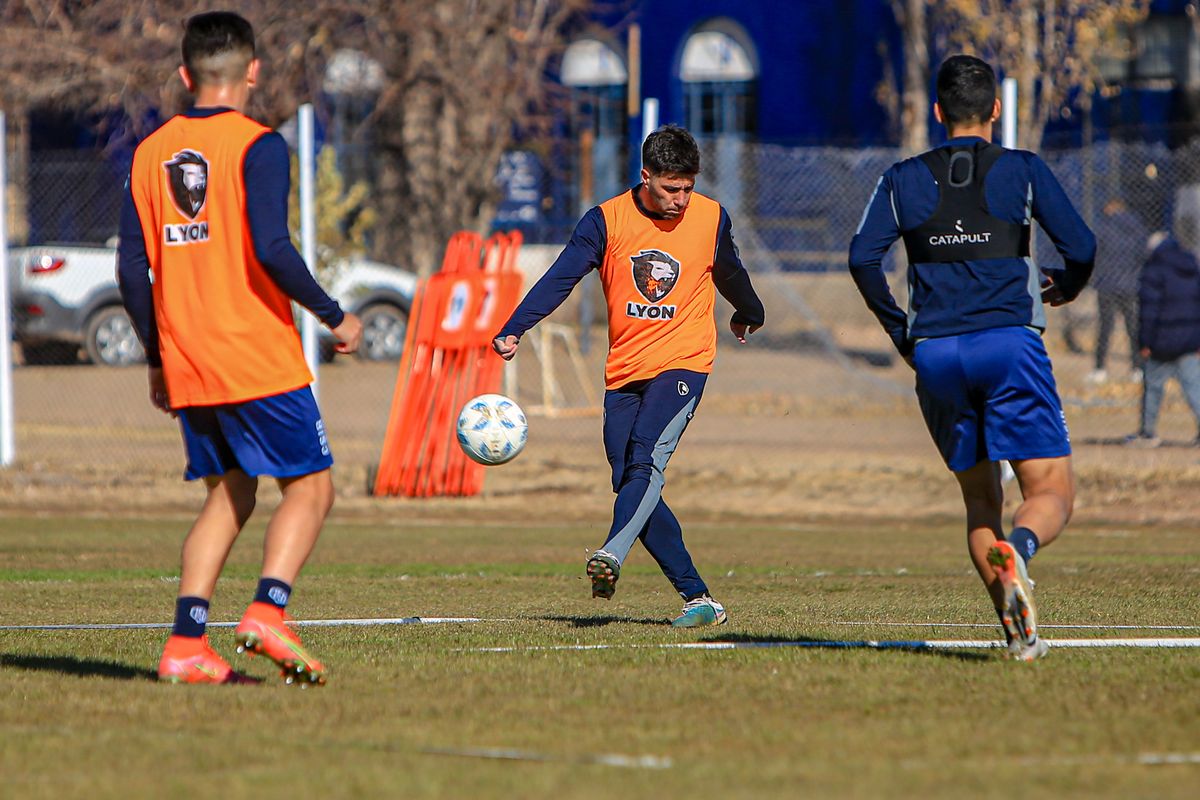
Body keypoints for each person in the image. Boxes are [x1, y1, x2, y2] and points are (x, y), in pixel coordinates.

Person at [118, 11, 362, 685]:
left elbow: (130, 270)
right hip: (253, 351)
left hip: (190, 359)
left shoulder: (147, 153)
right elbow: (271, 247)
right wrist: (333, 315)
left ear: (184, 75)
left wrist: (157, 358)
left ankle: (185, 646)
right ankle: (267, 613)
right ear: (253, 72)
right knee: (311, 488)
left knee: (230, 494)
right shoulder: (259, 145)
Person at [848, 55, 1096, 661]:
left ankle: (1020, 634)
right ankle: (1021, 551)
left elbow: (862, 259)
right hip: (1008, 345)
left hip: (935, 354)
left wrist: (904, 335)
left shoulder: (901, 177)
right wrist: (1067, 285)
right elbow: (1082, 246)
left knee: (981, 500)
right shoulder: (1023, 170)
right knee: (1053, 490)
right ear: (996, 110)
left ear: (936, 113)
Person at [493, 125, 764, 627]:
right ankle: (700, 598)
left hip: (685, 362)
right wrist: (515, 328)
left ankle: (611, 555)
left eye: (688, 187)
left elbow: (730, 272)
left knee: (645, 457)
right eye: (670, 189)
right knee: (632, 483)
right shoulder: (606, 221)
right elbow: (561, 277)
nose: (681, 200)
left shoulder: (709, 217)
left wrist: (750, 311)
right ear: (646, 177)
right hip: (623, 372)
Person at [1127, 226, 1200, 447]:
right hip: (1188, 339)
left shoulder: (1153, 270)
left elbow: (1148, 311)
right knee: (1194, 387)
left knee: (1153, 387)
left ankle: (1148, 433)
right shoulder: (1191, 267)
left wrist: (1144, 341)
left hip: (1161, 341)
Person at [1088, 198, 1148, 384]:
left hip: (1107, 284)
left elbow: (1094, 254)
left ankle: (1100, 369)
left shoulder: (1103, 228)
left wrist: (1095, 278)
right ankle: (1137, 368)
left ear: (1110, 208)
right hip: (1130, 284)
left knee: (1106, 328)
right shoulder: (1137, 228)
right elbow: (1143, 254)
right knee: (1133, 328)